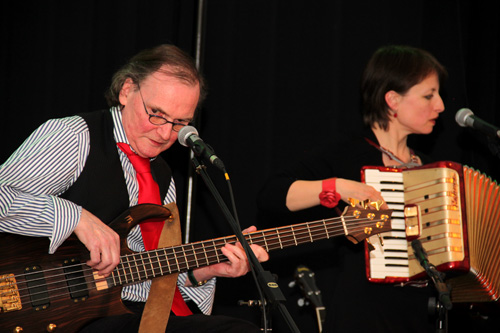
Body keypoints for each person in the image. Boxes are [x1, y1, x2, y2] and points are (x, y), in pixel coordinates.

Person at [0, 44, 269, 332]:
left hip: (117, 313)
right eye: (156, 113)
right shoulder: (76, 136)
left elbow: (140, 271)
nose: (166, 133)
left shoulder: (161, 178)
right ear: (127, 91)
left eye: (180, 122)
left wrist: (201, 272)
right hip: (44, 314)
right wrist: (77, 217)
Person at [257, 45, 447, 332]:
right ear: (393, 100)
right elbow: (271, 194)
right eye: (429, 95)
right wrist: (337, 187)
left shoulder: (434, 172)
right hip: (364, 313)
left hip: (422, 313)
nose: (441, 105)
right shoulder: (347, 153)